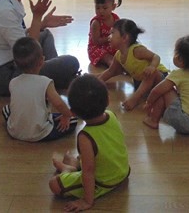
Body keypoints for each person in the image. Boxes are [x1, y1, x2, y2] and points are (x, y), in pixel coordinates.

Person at [49, 75, 130, 211]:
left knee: (54, 184)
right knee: (87, 155)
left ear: (73, 113)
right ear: (108, 100)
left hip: (103, 182)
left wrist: (87, 201)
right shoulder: (111, 115)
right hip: (123, 171)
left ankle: (68, 169)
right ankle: (73, 165)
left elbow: (88, 171)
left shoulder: (85, 137)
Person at [2, 37, 78, 142]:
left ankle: (18, 127)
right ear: (42, 61)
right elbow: (59, 104)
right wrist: (66, 115)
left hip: (14, 132)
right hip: (40, 133)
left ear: (15, 63)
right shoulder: (45, 82)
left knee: (6, 109)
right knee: (73, 119)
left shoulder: (13, 82)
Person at [143, 35, 189, 134]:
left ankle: (153, 120)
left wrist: (149, 102)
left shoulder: (178, 74)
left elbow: (156, 91)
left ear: (180, 59)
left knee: (166, 90)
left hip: (187, 123)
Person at [98, 19, 169, 111]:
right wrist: (99, 80)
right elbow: (111, 71)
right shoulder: (118, 55)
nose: (109, 36)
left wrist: (152, 66)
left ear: (124, 38)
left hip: (159, 78)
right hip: (142, 81)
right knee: (142, 81)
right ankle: (145, 94)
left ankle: (135, 99)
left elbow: (156, 57)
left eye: (112, 33)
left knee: (152, 74)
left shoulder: (137, 50)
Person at [87, 0, 122, 68]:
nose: (101, 11)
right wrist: (109, 38)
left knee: (124, 51)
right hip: (97, 48)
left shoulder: (116, 19)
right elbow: (96, 42)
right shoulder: (96, 23)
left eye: (105, 8)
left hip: (111, 45)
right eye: (98, 8)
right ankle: (114, 67)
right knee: (107, 57)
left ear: (113, 7)